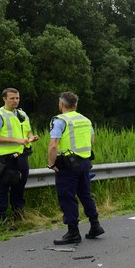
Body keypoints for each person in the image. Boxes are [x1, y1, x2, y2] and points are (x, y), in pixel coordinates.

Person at [47, 91, 104, 245]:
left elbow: (53, 145)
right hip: (85, 162)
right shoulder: (85, 120)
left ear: (61, 104)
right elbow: (92, 140)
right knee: (85, 194)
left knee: (67, 197)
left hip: (67, 164)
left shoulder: (59, 120)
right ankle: (95, 225)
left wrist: (51, 164)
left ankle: (73, 232)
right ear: (75, 105)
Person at [0, 88, 39, 228]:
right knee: (3, 187)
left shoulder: (22, 114)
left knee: (20, 185)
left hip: (22, 155)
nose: (15, 100)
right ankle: (2, 219)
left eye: (17, 98)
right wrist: (17, 140)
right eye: (12, 98)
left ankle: (19, 216)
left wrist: (30, 138)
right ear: (4, 99)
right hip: (6, 157)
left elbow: (28, 131)